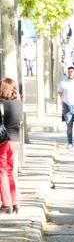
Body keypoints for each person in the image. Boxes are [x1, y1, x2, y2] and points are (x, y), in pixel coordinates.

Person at [0, 78, 23, 213]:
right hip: (16, 140)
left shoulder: (1, 104)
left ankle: (6, 203)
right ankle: (15, 202)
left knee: (1, 171)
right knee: (10, 171)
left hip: (3, 140)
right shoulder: (19, 104)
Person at [58, 66, 74, 148]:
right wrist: (62, 101)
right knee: (69, 127)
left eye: (72, 71)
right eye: (69, 71)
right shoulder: (63, 82)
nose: (70, 73)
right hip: (67, 106)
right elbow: (60, 92)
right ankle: (70, 143)